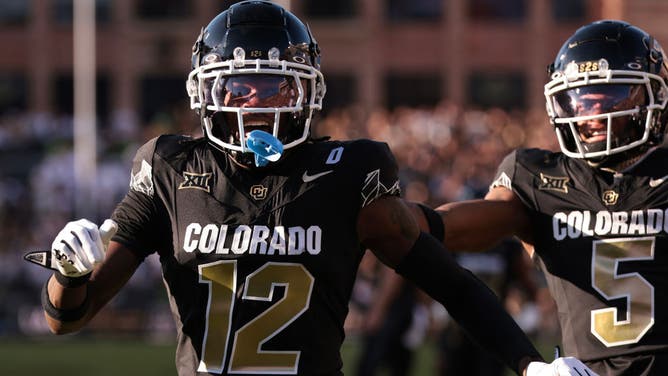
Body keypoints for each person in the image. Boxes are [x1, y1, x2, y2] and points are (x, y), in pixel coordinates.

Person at [23, 1, 595, 375]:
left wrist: (529, 365)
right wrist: (67, 277)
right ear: (205, 93)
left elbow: (451, 283)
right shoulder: (172, 167)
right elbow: (66, 318)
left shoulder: (348, 172)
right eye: (239, 88)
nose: (255, 103)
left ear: (307, 94)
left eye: (274, 87)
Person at [418, 19, 668, 376]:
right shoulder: (538, 176)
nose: (592, 114)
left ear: (654, 98)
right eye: (580, 99)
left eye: (611, 96)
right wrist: (413, 220)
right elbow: (472, 221)